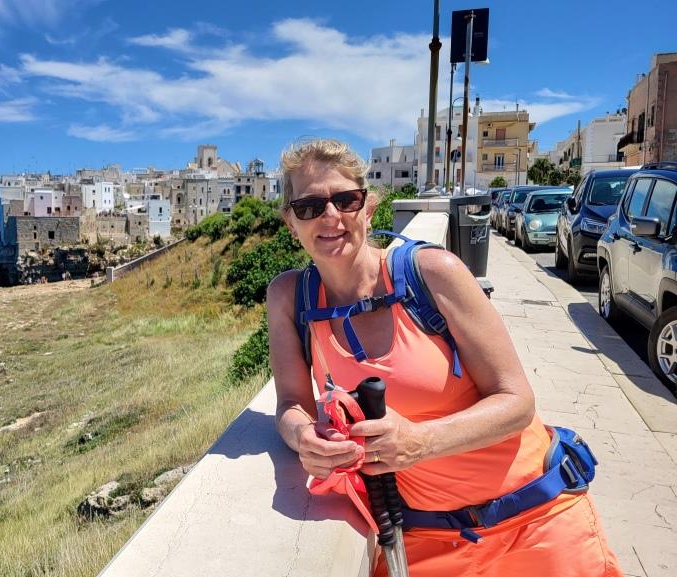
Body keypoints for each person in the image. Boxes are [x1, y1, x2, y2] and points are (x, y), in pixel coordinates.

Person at [266, 139, 620, 577]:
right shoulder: (290, 298)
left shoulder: (433, 272)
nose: (330, 216)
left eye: (345, 200)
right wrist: (305, 437)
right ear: (290, 222)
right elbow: (291, 404)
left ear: (369, 208)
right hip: (424, 540)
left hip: (537, 521)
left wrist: (420, 441)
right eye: (309, 207)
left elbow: (517, 401)